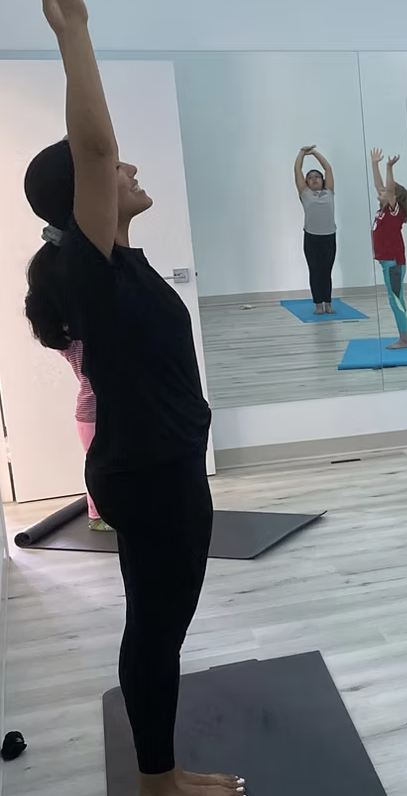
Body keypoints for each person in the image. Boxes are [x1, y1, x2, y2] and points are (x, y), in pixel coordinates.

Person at [21, 2, 241, 794]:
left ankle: (160, 769)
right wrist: (73, 32)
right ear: (80, 195)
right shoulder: (94, 266)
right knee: (156, 630)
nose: (130, 169)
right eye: (117, 171)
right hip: (150, 473)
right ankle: (160, 780)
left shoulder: (119, 267)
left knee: (160, 625)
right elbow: (98, 144)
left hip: (158, 466)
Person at [57, 340, 113, 530]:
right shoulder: (73, 344)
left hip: (111, 411)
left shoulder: (104, 334)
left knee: (115, 464)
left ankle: (115, 511)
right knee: (97, 467)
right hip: (89, 415)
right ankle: (96, 517)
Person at [370, 147, 407, 349]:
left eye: (386, 191)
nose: (381, 191)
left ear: (393, 196)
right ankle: (404, 337)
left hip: (393, 263)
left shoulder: (396, 211)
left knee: (396, 300)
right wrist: (374, 164)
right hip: (388, 263)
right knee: (395, 299)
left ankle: (405, 339)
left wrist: (388, 167)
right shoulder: (385, 210)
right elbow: (380, 186)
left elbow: (389, 189)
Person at [294, 144, 337, 315]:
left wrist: (315, 153)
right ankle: (318, 304)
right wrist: (302, 153)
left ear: (323, 180)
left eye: (317, 177)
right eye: (310, 178)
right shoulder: (305, 193)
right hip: (312, 237)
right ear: (306, 182)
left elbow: (328, 168)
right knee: (315, 270)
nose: (314, 179)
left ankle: (328, 304)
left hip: (329, 236)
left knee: (327, 271)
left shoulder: (330, 191)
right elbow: (297, 169)